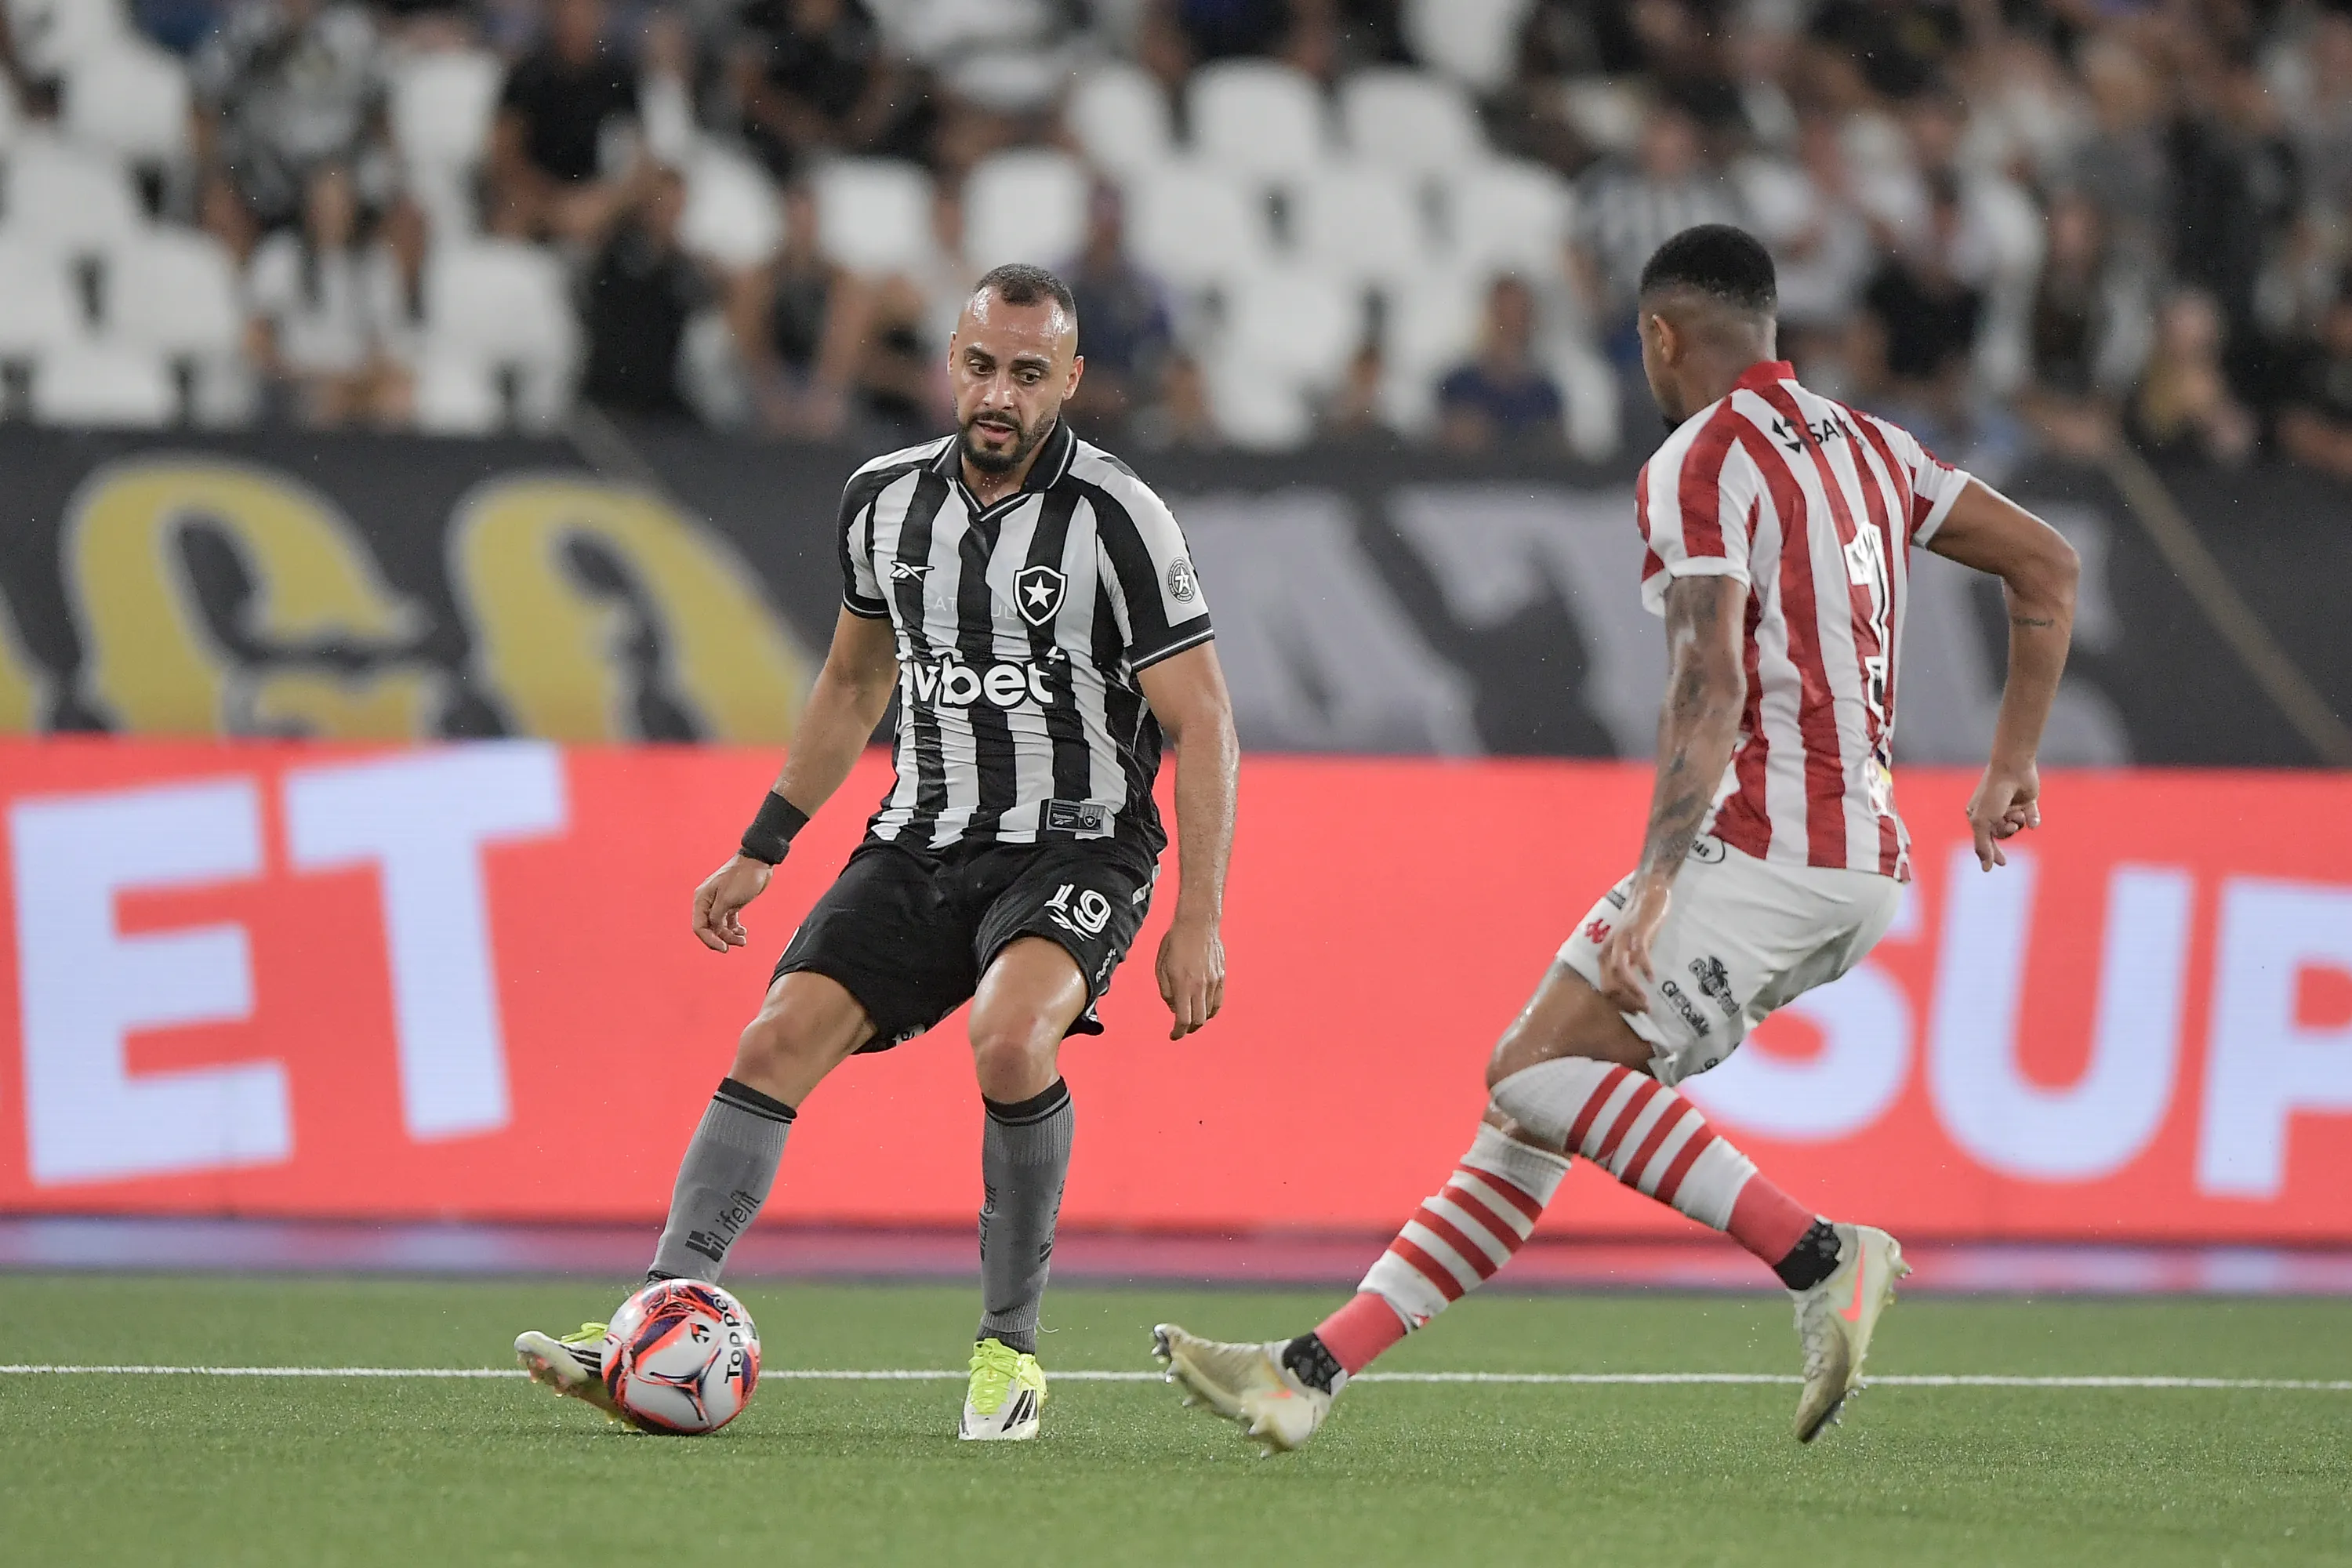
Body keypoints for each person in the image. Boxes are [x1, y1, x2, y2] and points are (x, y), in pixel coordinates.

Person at [1153, 224, 2079, 1453]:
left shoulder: (1701, 461)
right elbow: (2048, 567)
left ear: (1660, 336)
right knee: (1539, 1107)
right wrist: (2012, 761)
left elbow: (1710, 681)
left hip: (1763, 848)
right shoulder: (1876, 448)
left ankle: (1820, 1257)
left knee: (1533, 1070)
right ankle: (1309, 1373)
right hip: (1856, 860)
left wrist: (1653, 885)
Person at [517, 263, 1240, 1443]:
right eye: (978, 366)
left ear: (1069, 382)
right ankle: (652, 1310)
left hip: (1079, 845)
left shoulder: (1118, 518)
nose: (996, 394)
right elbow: (855, 679)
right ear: (948, 363)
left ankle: (1009, 1357)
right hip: (920, 838)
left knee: (1008, 1039)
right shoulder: (883, 500)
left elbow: (1202, 720)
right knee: (775, 1035)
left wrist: (1197, 918)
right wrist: (765, 844)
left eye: (1026, 374)